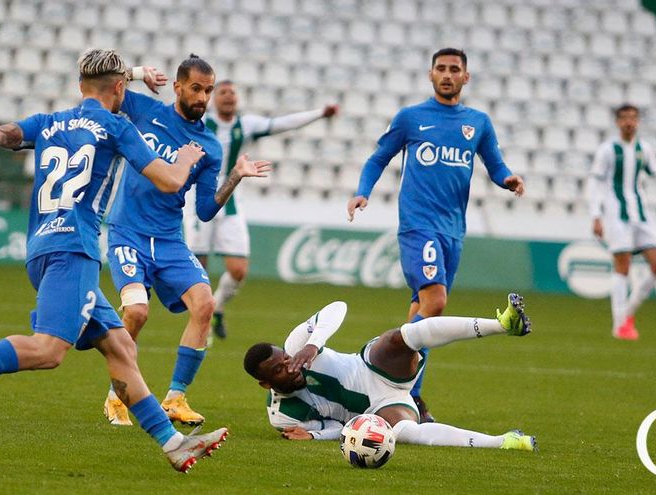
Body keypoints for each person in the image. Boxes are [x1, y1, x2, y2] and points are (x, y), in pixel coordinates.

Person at [0, 49, 227, 473]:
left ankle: (174, 444)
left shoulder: (49, 123)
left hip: (42, 246)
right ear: (119, 89)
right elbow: (171, 181)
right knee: (48, 350)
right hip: (74, 250)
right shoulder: (116, 126)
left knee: (120, 345)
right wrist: (189, 158)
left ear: (80, 86)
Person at [346, 48, 525, 422]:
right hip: (417, 225)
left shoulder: (478, 122)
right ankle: (392, 381)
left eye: (454, 69)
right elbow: (379, 157)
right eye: (441, 68)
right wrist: (363, 190)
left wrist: (507, 179)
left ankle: (403, 393)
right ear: (430, 75)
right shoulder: (411, 118)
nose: (447, 74)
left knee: (421, 312)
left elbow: (494, 163)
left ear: (466, 77)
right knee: (436, 302)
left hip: (453, 231)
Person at [103, 57, 271, 426]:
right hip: (126, 233)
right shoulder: (145, 108)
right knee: (137, 312)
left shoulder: (209, 146)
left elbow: (208, 210)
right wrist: (135, 74)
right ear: (177, 87)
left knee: (205, 304)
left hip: (168, 240)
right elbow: (100, 81)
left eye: (208, 90)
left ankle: (176, 397)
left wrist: (237, 176)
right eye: (196, 88)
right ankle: (117, 395)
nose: (203, 97)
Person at [243, 295, 535, 451]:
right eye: (280, 369)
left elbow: (337, 307)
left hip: (372, 366)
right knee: (406, 433)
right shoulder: (282, 416)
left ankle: (502, 325)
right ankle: (504, 441)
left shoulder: (297, 345)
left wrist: (312, 345)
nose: (290, 366)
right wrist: (316, 438)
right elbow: (334, 428)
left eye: (286, 359)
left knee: (401, 337)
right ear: (265, 384)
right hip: (378, 411)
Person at [188, 80, 339, 339]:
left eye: (232, 93)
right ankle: (200, 325)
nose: (228, 97)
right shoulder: (201, 124)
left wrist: (319, 113)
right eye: (222, 92)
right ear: (213, 98)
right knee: (197, 270)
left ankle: (217, 308)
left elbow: (283, 123)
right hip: (199, 201)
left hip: (231, 204)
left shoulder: (245, 125)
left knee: (238, 270)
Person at [587, 104, 656, 340]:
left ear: (638, 121)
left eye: (633, 118)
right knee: (622, 264)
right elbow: (595, 183)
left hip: (641, 214)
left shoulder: (645, 148)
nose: (629, 122)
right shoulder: (608, 150)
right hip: (616, 215)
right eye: (624, 118)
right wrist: (596, 215)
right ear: (617, 122)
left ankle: (627, 313)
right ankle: (619, 325)